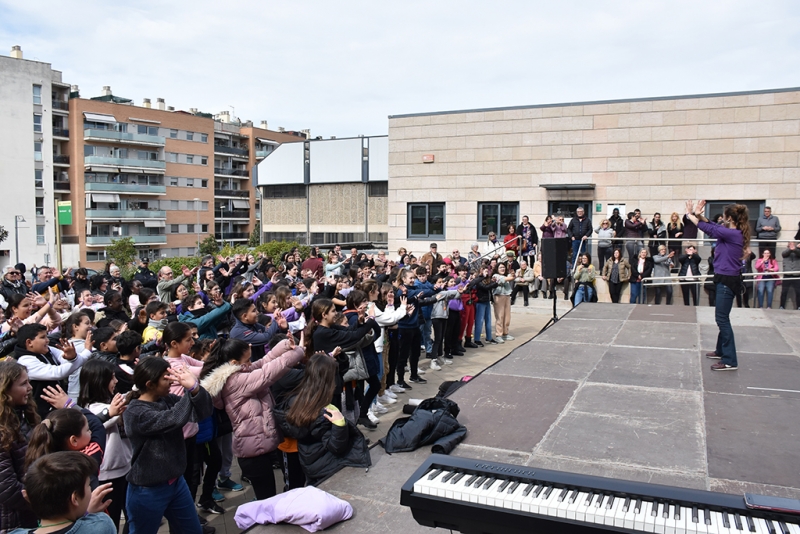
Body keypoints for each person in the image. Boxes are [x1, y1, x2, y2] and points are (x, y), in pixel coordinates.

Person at [199, 336, 304, 501]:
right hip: (253, 450)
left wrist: (285, 345)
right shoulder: (236, 381)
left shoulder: (239, 370)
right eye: (247, 360)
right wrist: (298, 351)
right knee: (266, 499)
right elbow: (270, 370)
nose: (250, 363)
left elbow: (264, 361)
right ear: (234, 362)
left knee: (267, 497)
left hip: (258, 445)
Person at [123, 357, 212, 534]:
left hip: (176, 483)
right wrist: (190, 389)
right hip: (148, 491)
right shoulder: (135, 412)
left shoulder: (166, 400)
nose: (171, 380)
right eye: (166, 377)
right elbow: (174, 419)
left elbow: (202, 411)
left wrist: (196, 390)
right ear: (150, 384)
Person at [275, 353, 370, 486]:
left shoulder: (296, 399)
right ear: (328, 381)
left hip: (308, 459)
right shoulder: (323, 412)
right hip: (324, 468)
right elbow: (336, 447)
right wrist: (339, 424)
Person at [685, 200, 749, 371]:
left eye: (724, 216)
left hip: (727, 281)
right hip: (725, 278)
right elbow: (712, 225)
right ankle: (721, 351)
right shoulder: (731, 232)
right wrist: (698, 215)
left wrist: (691, 215)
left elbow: (709, 228)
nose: (722, 218)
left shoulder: (731, 234)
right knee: (723, 317)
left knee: (721, 319)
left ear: (729, 218)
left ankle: (729, 360)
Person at [78, 359, 131, 533]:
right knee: (110, 520)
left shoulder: (109, 406)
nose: (116, 381)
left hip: (124, 470)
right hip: (107, 476)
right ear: (99, 382)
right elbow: (105, 419)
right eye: (112, 378)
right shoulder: (90, 411)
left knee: (132, 515)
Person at [10, 451, 116, 534]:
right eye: (88, 485)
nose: (91, 489)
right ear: (74, 499)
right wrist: (87, 512)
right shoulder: (101, 525)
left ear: (26, 496)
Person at [14, 324, 88, 419]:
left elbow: (66, 360)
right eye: (42, 337)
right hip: (41, 414)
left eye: (47, 336)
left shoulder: (47, 350)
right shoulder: (25, 361)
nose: (47, 340)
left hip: (57, 408)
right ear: (29, 342)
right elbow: (58, 373)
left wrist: (73, 357)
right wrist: (86, 353)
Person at [0, 361, 39, 533]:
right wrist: (40, 503)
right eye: (23, 384)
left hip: (29, 511)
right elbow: (6, 486)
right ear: (5, 389)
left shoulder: (23, 416)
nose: (30, 388)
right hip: (12, 520)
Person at [469, 266, 498, 346]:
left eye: (487, 271)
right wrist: (494, 283)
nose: (487, 272)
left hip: (487, 302)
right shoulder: (478, 280)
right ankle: (477, 339)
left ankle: (489, 338)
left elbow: (492, 285)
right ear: (481, 271)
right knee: (479, 321)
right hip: (480, 302)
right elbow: (485, 287)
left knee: (488, 320)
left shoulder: (488, 279)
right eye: (485, 271)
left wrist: (495, 282)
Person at [491, 263, 514, 343]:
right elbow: (504, 279)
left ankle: (505, 333)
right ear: (497, 269)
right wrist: (513, 276)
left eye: (503, 267)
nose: (502, 269)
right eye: (500, 267)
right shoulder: (495, 276)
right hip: (498, 296)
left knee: (507, 316)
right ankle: (498, 335)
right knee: (500, 316)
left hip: (507, 296)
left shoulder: (507, 275)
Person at [780, 241, 800, 310]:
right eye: (790, 244)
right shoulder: (785, 252)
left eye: (793, 244)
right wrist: (790, 249)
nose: (792, 246)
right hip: (787, 275)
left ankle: (799, 306)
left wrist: (795, 249)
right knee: (784, 292)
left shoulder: (798, 252)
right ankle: (782, 306)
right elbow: (784, 254)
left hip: (796, 275)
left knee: (798, 292)